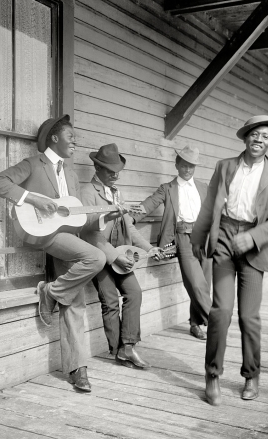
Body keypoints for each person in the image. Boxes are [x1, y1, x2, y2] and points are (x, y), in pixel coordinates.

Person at [0, 115, 106, 392]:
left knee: (74, 301)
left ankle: (78, 369)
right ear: (54, 138)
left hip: (67, 237)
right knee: (96, 258)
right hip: (44, 233)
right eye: (70, 136)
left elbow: (78, 217)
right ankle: (50, 292)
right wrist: (33, 198)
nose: (75, 141)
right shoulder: (33, 164)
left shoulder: (72, 174)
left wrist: (106, 214)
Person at [191, 115, 268, 406]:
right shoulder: (225, 167)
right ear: (246, 137)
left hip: (254, 246)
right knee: (220, 311)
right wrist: (198, 238)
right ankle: (212, 375)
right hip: (223, 237)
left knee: (249, 317)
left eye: (265, 137)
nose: (259, 140)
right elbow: (210, 204)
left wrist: (254, 236)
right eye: (255, 135)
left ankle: (251, 375)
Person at [80, 143, 163, 369]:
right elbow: (89, 231)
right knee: (109, 301)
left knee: (133, 293)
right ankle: (120, 351)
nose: (115, 175)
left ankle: (127, 347)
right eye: (109, 170)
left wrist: (149, 248)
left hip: (121, 255)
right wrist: (114, 256)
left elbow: (129, 226)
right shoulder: (87, 193)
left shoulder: (117, 193)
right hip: (100, 255)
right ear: (97, 168)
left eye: (117, 170)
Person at [133, 145, 212, 340]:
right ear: (177, 165)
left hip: (206, 238)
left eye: (191, 166)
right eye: (184, 165)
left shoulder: (203, 187)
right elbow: (149, 203)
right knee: (195, 283)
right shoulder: (167, 188)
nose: (187, 170)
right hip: (183, 238)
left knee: (204, 282)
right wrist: (130, 217)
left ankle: (195, 324)